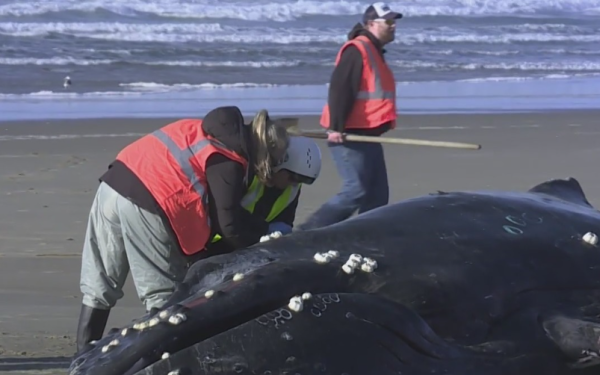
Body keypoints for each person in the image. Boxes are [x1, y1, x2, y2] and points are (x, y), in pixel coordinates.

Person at [75, 105, 291, 353]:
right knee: (162, 296)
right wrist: (262, 240)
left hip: (114, 184)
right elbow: (228, 224)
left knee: (100, 283)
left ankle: (81, 356)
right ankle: (158, 361)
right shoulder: (230, 160)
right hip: (149, 201)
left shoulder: (199, 128)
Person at [297, 2, 401, 231]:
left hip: (369, 134)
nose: (394, 27)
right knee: (356, 190)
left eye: (395, 22)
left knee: (377, 196)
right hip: (349, 135)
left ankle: (369, 237)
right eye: (389, 22)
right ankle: (308, 231)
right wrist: (335, 128)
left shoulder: (374, 51)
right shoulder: (358, 50)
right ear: (371, 24)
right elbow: (340, 89)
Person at [207, 135, 323, 257]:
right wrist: (261, 230)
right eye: (293, 178)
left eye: (301, 180)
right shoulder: (247, 175)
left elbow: (285, 221)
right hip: (218, 238)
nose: (294, 184)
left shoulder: (292, 188)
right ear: (279, 165)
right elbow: (226, 213)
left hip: (253, 239)